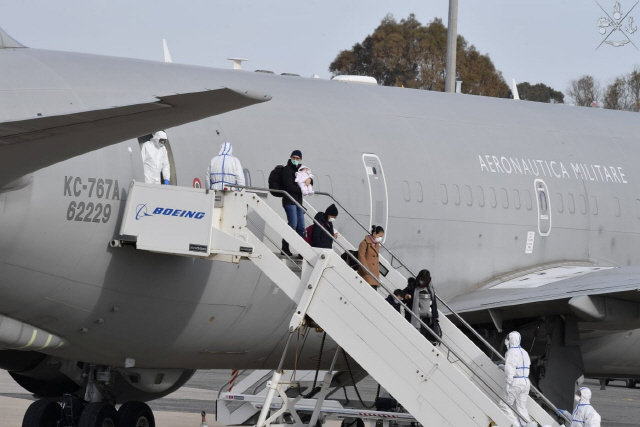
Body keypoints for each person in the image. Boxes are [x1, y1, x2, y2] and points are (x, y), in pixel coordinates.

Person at [498, 331, 534, 427]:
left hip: (516, 381)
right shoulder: (524, 352)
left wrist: (508, 382)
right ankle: (527, 425)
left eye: (507, 339)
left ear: (510, 340)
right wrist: (504, 367)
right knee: (521, 407)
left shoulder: (510, 352)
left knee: (504, 403)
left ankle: (515, 425)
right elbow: (522, 366)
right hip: (526, 381)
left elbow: (511, 368)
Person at [281, 150, 310, 258]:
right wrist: (301, 190)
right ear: (290, 157)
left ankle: (300, 250)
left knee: (301, 227)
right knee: (292, 224)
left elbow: (308, 179)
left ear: (300, 159)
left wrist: (309, 181)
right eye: (294, 158)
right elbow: (288, 186)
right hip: (289, 201)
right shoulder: (286, 170)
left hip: (298, 202)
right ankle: (285, 247)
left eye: (297, 158)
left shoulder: (301, 170)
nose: (295, 160)